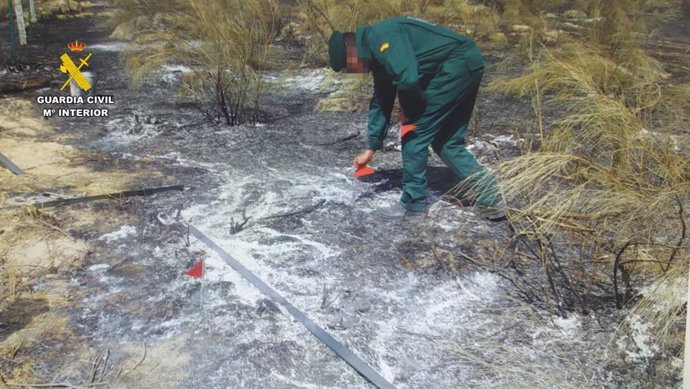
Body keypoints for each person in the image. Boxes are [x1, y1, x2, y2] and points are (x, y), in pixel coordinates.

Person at [328, 16, 505, 221]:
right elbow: (382, 100)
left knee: (413, 134)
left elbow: (409, 78)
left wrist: (411, 111)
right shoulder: (376, 53)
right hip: (465, 64)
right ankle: (491, 198)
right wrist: (371, 147)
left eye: (349, 66)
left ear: (352, 50)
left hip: (455, 67)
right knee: (446, 142)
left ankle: (413, 206)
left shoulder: (382, 38)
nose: (355, 71)